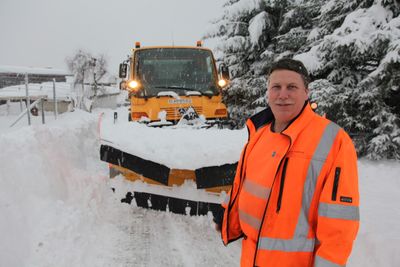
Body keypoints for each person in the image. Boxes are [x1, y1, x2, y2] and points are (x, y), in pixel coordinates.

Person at [216, 58, 359, 267]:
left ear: (306, 93)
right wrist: (227, 211)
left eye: (292, 87)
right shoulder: (259, 134)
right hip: (251, 259)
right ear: (268, 92)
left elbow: (340, 223)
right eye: (276, 87)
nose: (283, 95)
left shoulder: (334, 141)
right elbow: (244, 186)